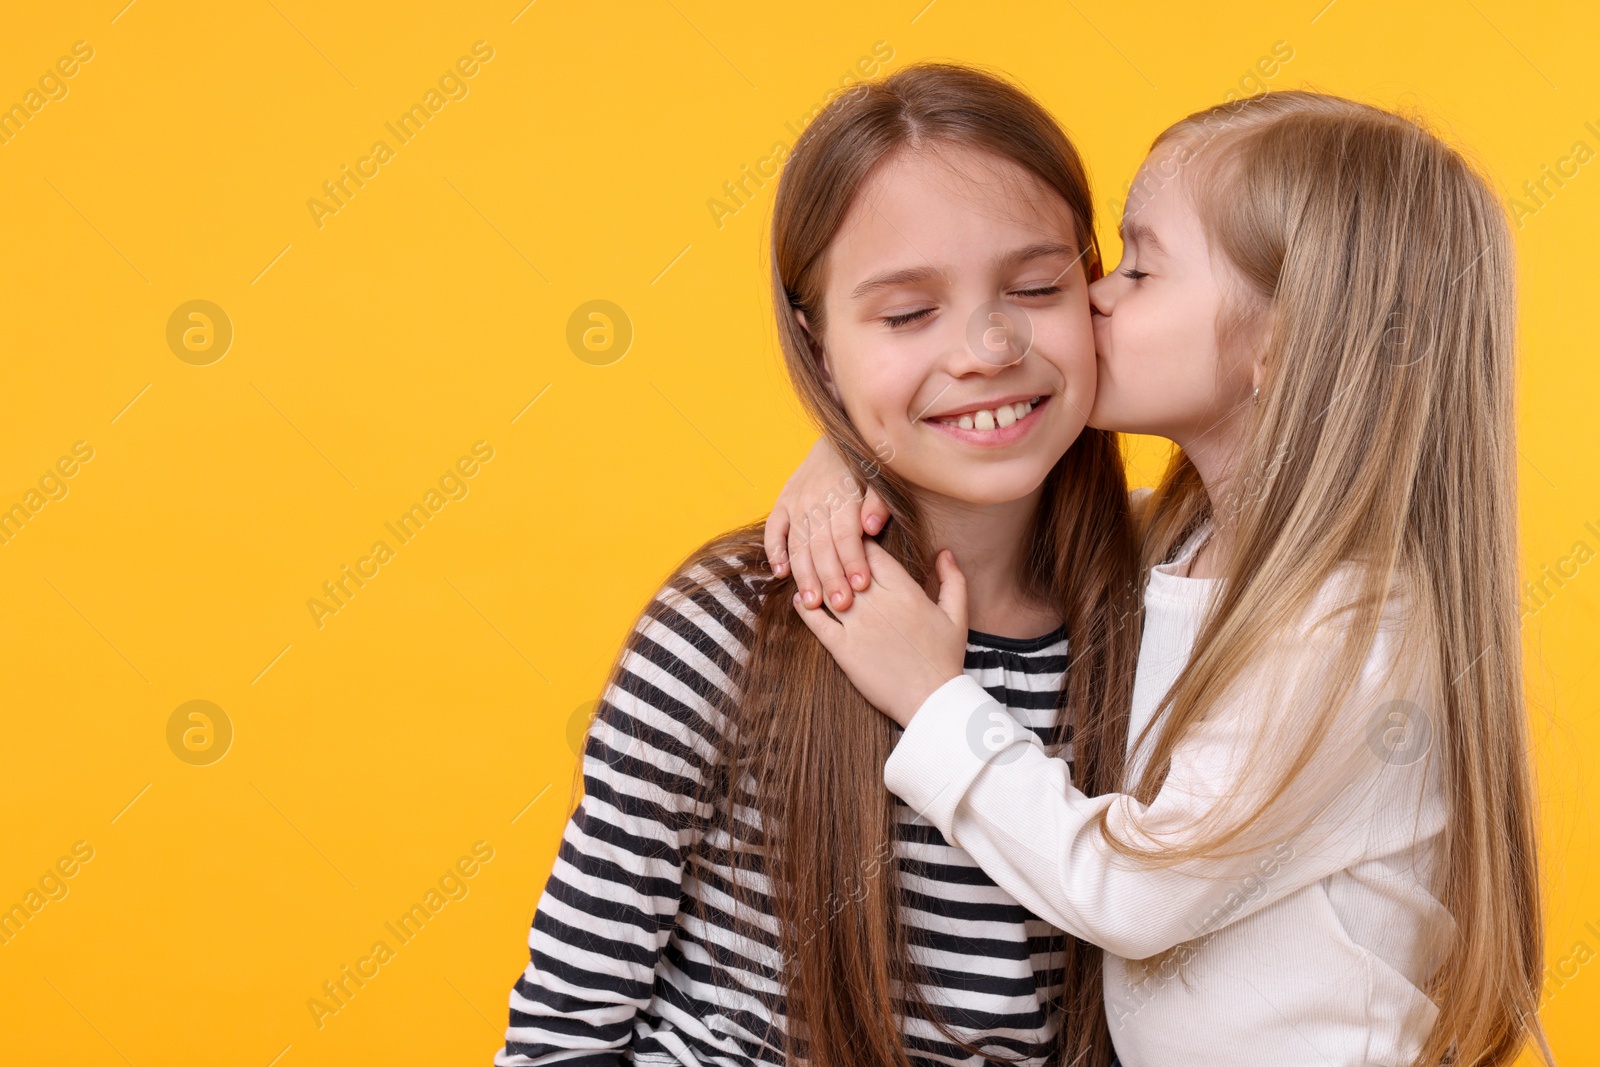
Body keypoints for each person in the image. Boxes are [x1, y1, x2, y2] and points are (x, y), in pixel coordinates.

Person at [771, 90, 1553, 1067]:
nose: (1094, 293)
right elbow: (980, 464)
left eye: (1140, 267)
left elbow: (1130, 892)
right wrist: (849, 454)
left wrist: (933, 700)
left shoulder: (1348, 630)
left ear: (1277, 341)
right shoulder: (1173, 542)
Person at [497, 62, 1143, 1067]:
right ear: (817, 341)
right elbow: (559, 1031)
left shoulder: (1165, 612)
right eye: (904, 314)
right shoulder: (728, 626)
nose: (986, 346)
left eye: (1034, 287)